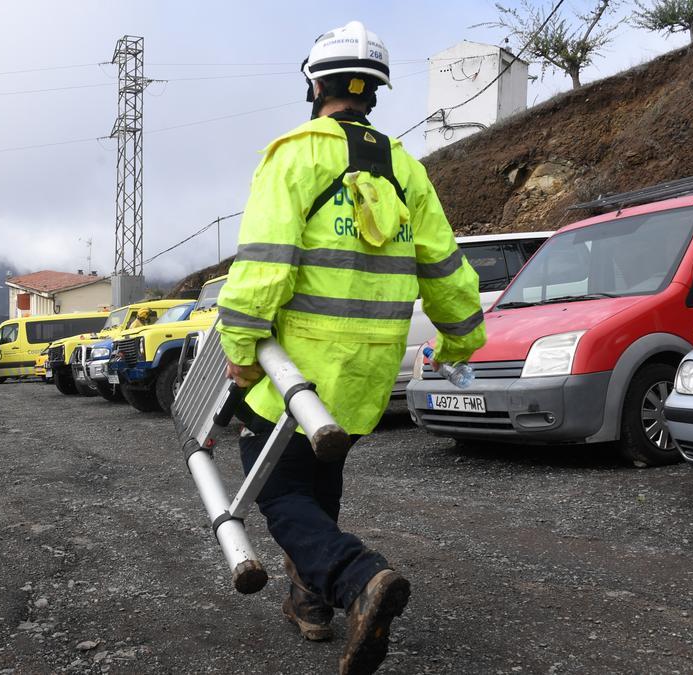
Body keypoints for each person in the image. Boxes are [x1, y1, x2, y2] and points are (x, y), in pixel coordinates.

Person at [216, 21, 486, 675]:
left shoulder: (295, 155)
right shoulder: (406, 169)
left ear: (314, 83)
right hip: (366, 372)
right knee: (318, 479)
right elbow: (446, 269)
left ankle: (358, 576)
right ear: (376, 91)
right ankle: (310, 604)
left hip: (293, 372)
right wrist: (461, 337)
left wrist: (241, 344)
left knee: (278, 494)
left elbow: (263, 264)